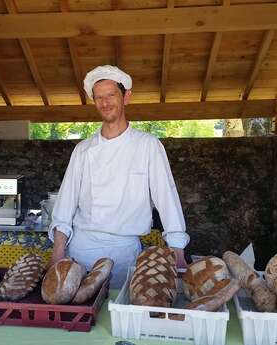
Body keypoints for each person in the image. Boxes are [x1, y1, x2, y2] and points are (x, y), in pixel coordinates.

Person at [47, 65, 189, 288]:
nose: (105, 103)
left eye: (111, 95)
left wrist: (178, 251)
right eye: (99, 98)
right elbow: (65, 205)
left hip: (124, 254)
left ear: (126, 97)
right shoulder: (83, 150)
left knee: (117, 315)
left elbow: (167, 199)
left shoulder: (147, 146)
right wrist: (58, 252)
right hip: (81, 251)